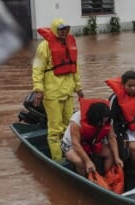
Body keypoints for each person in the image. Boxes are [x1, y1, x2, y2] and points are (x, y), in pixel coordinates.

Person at [32, 18, 84, 161]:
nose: (64, 32)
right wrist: (38, 90)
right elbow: (37, 69)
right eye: (61, 29)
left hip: (67, 93)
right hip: (52, 93)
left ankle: (71, 154)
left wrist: (78, 88)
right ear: (55, 30)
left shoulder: (69, 44)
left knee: (69, 126)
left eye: (66, 29)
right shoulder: (44, 46)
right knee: (55, 129)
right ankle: (58, 159)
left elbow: (75, 69)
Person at [61, 99, 123, 176]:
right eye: (101, 122)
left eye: (105, 122)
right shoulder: (76, 120)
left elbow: (111, 138)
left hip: (93, 143)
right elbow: (76, 144)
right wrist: (87, 161)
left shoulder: (108, 119)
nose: (103, 124)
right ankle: (84, 178)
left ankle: (106, 177)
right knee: (80, 162)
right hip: (71, 145)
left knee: (111, 153)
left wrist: (117, 158)